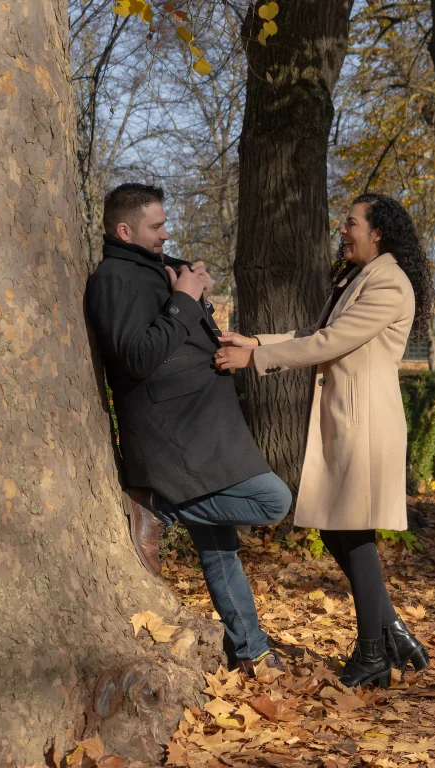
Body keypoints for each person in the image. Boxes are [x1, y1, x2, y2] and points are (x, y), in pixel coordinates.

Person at [215, 193, 432, 691]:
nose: (343, 230)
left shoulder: (390, 284)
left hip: (366, 425)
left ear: (377, 232)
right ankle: (392, 632)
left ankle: (374, 652)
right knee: (339, 530)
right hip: (346, 418)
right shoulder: (360, 277)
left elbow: (330, 344)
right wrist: (256, 343)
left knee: (352, 532)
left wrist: (256, 362)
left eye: (351, 223)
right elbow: (318, 331)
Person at [84, 183, 293, 674]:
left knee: (220, 549)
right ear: (124, 230)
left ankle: (252, 651)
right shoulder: (115, 278)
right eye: (155, 226)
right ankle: (159, 504)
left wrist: (196, 297)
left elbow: (174, 331)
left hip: (202, 423)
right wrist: (182, 299)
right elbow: (137, 355)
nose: (165, 232)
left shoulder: (154, 268)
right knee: (274, 501)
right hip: (176, 431)